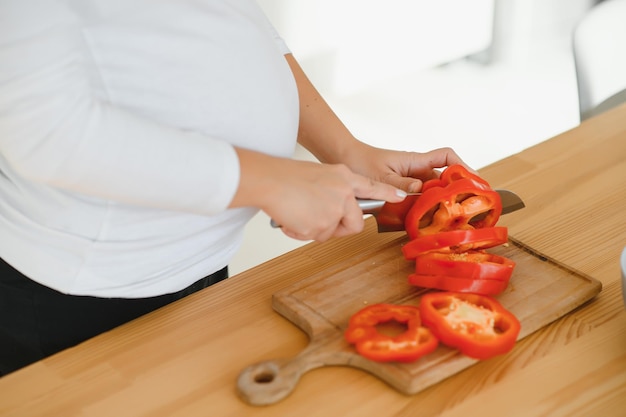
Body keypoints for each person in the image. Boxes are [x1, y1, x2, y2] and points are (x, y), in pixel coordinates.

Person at [0, 0, 470, 376]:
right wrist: (271, 179)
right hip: (82, 295)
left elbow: (235, 21)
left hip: (200, 263)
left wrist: (345, 148)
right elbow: (45, 133)